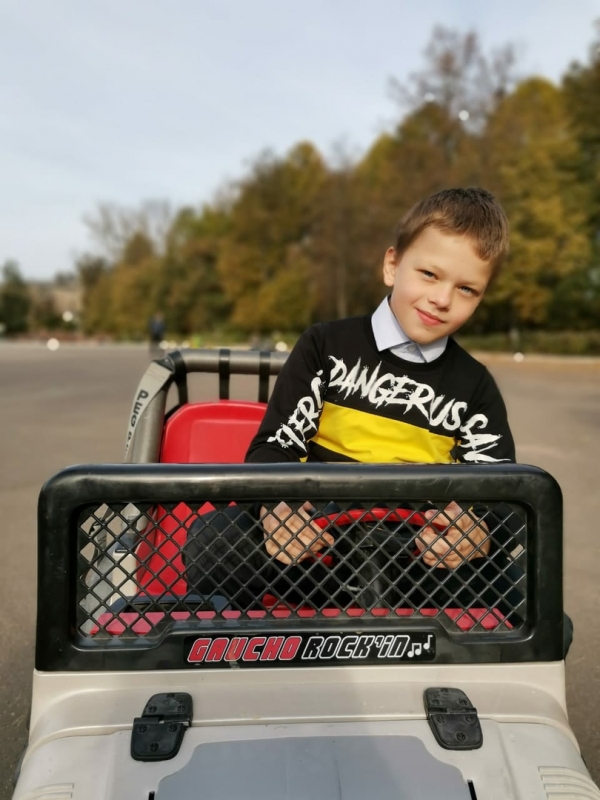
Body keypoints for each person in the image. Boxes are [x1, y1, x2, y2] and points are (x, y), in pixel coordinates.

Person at [184, 187, 567, 646]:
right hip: (314, 551)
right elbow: (275, 445)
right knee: (212, 540)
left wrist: (477, 533)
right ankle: (237, 654)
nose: (442, 299)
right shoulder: (325, 345)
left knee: (540, 605)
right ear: (392, 265)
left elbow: (503, 495)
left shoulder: (475, 385)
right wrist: (276, 511)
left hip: (419, 561)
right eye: (429, 274)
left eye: (466, 289)